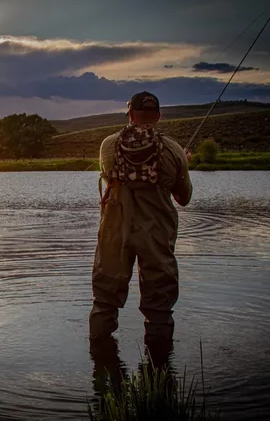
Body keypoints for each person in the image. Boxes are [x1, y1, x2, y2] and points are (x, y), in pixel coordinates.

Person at [88, 91, 193, 360]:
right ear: (158, 116)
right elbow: (184, 198)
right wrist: (183, 163)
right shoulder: (174, 150)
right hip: (156, 235)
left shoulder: (108, 145)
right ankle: (158, 371)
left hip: (114, 234)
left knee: (104, 302)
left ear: (131, 115)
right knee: (159, 308)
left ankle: (101, 367)